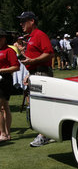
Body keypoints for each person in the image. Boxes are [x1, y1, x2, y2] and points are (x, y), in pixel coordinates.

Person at [17, 11, 55, 146]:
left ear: (31, 21)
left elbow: (49, 53)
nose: (21, 24)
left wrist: (32, 61)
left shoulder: (39, 35)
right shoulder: (30, 37)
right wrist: (29, 71)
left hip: (42, 73)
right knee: (37, 104)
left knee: (41, 104)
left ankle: (43, 134)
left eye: (23, 21)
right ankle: (45, 133)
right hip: (35, 73)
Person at [0, 29, 19, 143]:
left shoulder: (9, 51)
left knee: (2, 107)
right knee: (5, 106)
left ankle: (3, 133)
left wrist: (1, 70)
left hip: (4, 80)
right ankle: (7, 133)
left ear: (3, 38)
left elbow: (16, 67)